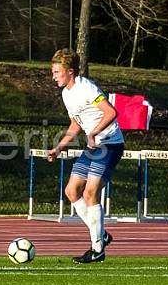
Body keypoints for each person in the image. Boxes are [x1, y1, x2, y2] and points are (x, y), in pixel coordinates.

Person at [46, 49, 125, 264]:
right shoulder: (66, 94)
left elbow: (111, 112)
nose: (54, 76)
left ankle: (97, 248)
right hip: (94, 146)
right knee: (71, 191)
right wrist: (59, 147)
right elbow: (76, 123)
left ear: (70, 72)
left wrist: (94, 133)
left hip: (109, 143)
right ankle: (101, 235)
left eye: (57, 72)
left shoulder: (86, 87)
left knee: (90, 193)